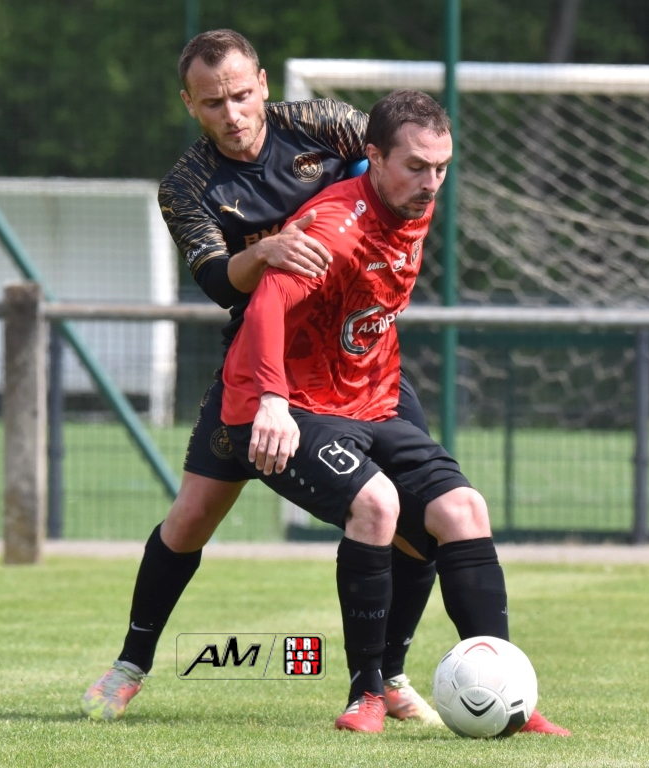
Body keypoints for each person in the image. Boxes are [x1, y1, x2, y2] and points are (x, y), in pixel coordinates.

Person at [81, 29, 442, 725]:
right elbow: (219, 280)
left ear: (264, 85)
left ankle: (388, 678)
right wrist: (268, 253)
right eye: (214, 102)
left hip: (356, 360)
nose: (233, 113)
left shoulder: (325, 124)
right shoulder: (185, 186)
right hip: (261, 364)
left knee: (419, 511)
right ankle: (130, 665)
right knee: (191, 518)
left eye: (242, 95)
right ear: (189, 104)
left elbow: (397, 161)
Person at [221, 89, 568, 735]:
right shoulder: (333, 227)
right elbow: (266, 305)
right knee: (375, 505)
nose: (431, 182)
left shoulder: (414, 201)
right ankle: (367, 695)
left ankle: (513, 699)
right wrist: (271, 401)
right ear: (374, 158)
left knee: (464, 510)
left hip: (372, 400)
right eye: (415, 166)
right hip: (291, 405)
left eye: (442, 167)